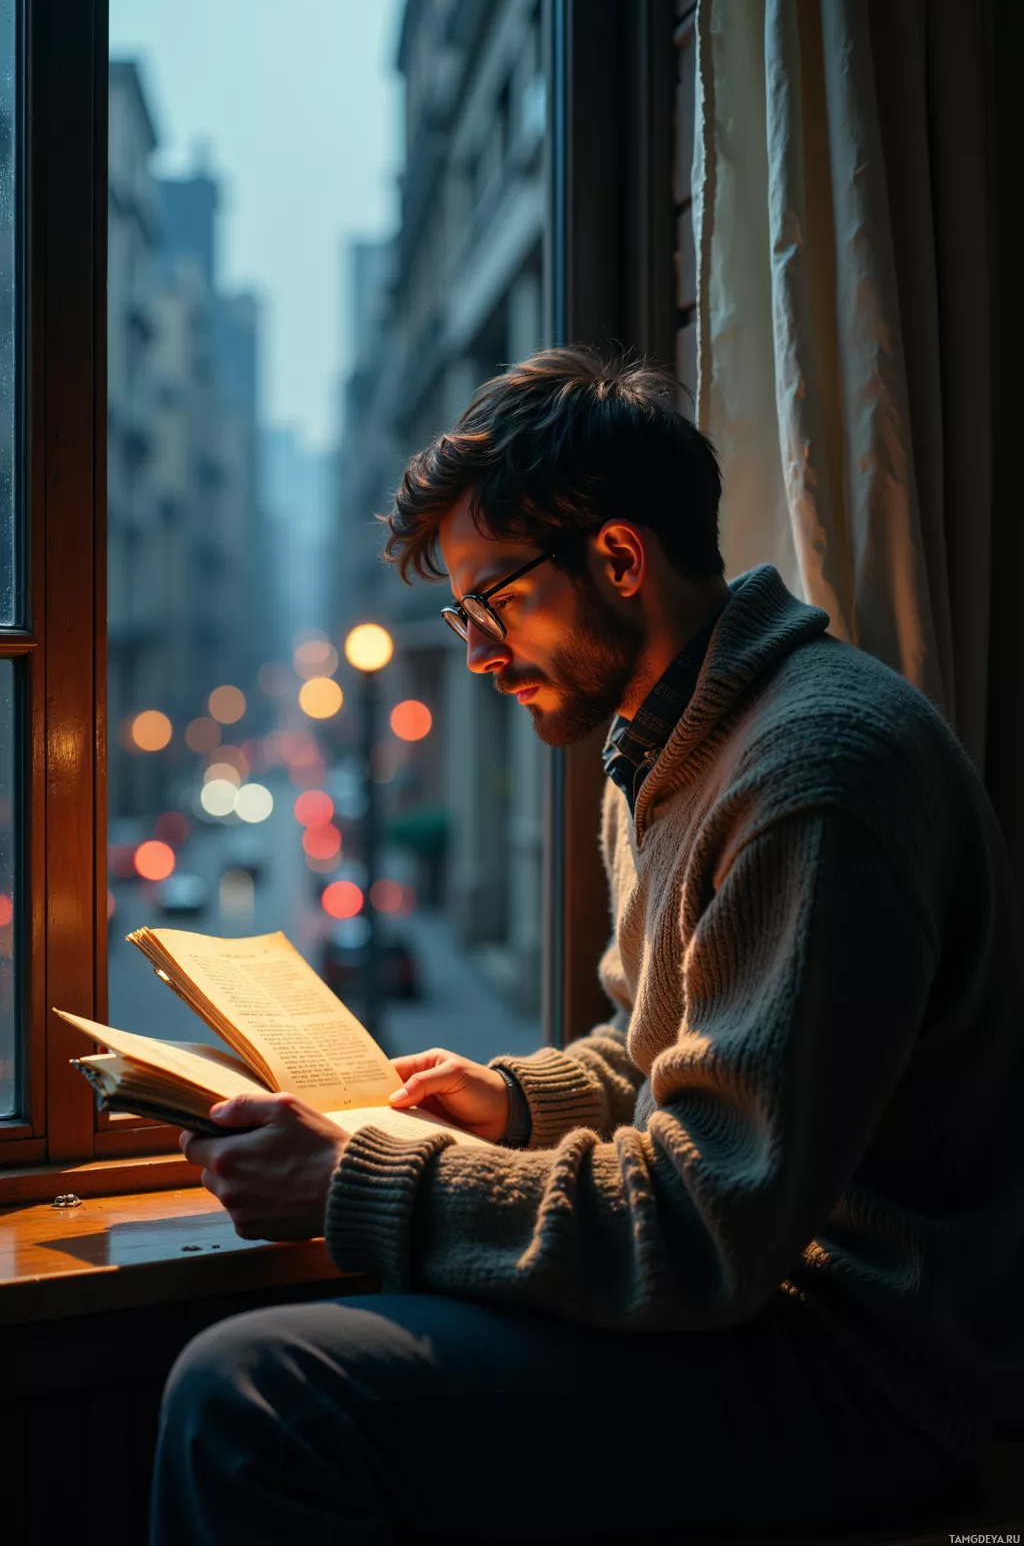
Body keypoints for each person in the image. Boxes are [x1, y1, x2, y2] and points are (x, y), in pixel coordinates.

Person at [152, 347, 1024, 1545]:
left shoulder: (813, 776)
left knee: (251, 1397)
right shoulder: (666, 742)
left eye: (493, 600)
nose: (475, 651)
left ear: (616, 558)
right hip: (767, 1308)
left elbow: (711, 1223)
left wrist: (354, 1179)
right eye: (460, 613)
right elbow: (660, 1051)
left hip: (859, 1361)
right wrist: (510, 1101)